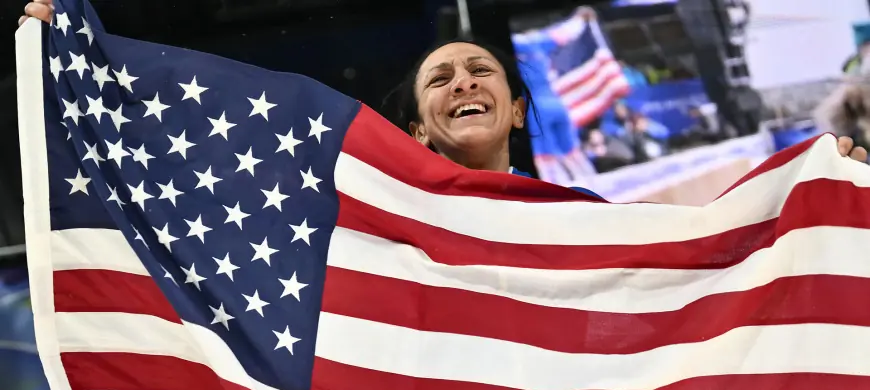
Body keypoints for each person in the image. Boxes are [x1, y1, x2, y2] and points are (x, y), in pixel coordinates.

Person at [19, 0, 870, 182]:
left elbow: (712, 249)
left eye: (481, 72)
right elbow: (223, 160)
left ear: (515, 109)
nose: (463, 81)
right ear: (420, 127)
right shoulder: (378, 221)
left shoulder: (587, 224)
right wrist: (86, 63)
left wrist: (816, 179)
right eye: (441, 77)